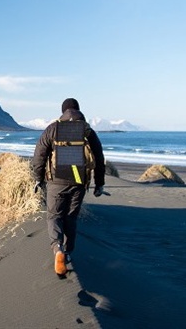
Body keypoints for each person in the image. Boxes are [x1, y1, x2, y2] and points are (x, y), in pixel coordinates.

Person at [32, 98, 107, 276]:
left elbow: (39, 155)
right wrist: (99, 184)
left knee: (54, 217)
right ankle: (68, 252)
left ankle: (57, 249)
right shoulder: (87, 130)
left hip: (56, 182)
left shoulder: (53, 128)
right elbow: (99, 158)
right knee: (70, 218)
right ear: (78, 110)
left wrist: (38, 178)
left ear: (63, 111)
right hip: (79, 181)